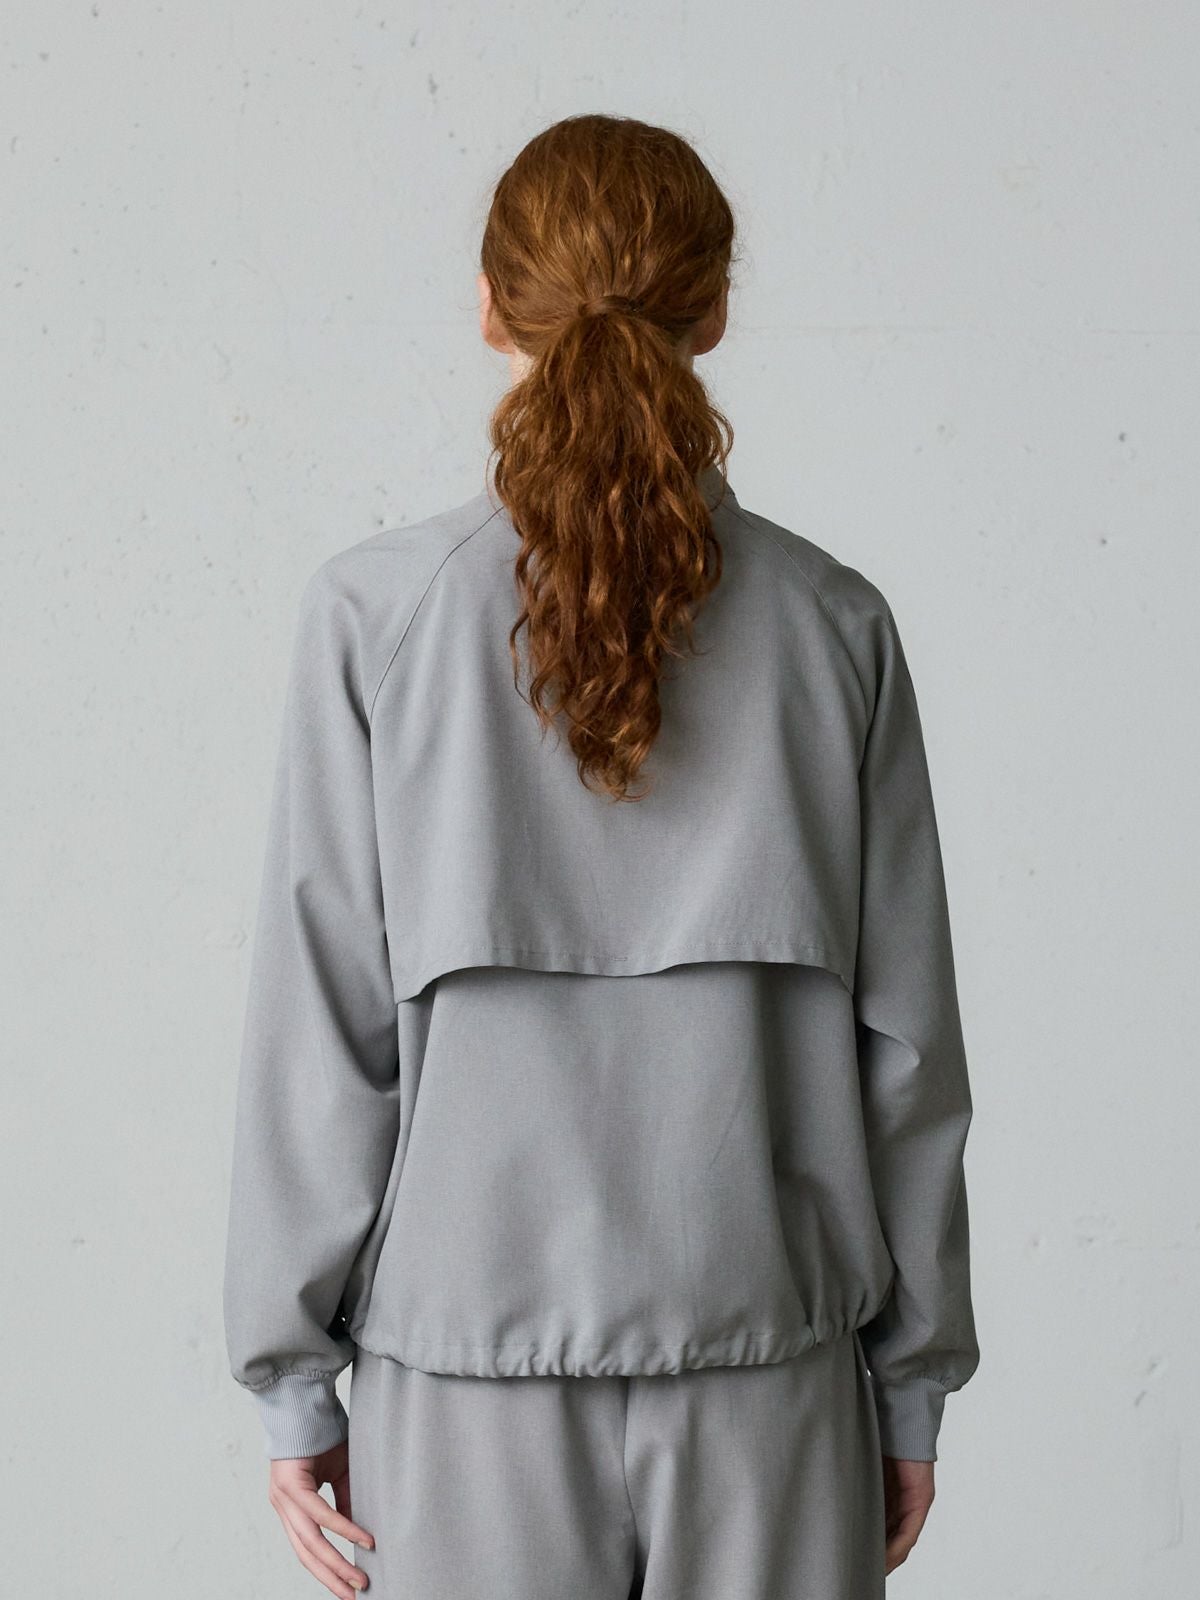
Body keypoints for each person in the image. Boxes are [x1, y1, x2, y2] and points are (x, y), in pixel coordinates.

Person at [222, 111, 980, 1600]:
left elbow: (321, 1033)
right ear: (713, 314)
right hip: (771, 1378)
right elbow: (909, 1050)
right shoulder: (835, 626)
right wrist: (911, 1386)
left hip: (465, 1381)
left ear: (491, 309)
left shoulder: (377, 619)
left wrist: (293, 1384)